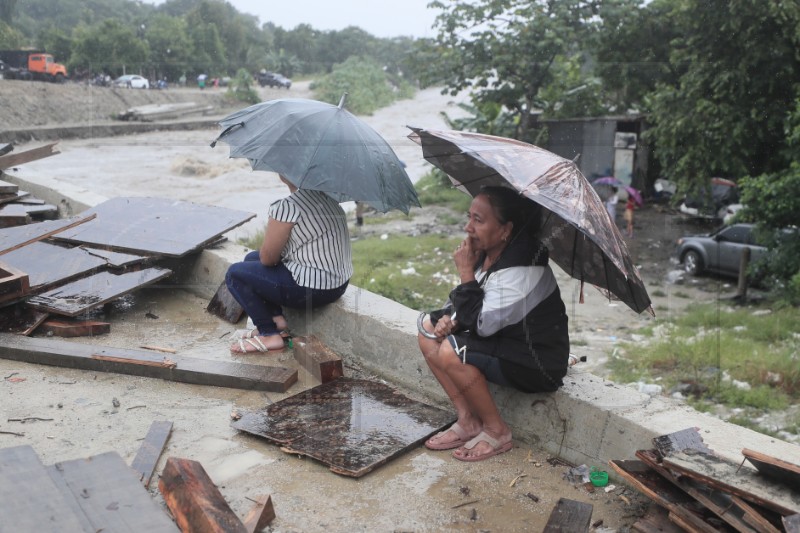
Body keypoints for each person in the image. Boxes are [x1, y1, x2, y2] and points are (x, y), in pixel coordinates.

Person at [418, 186, 570, 462]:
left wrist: (465, 272)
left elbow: (483, 324)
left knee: (452, 351)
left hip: (536, 361)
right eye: (469, 217)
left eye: (479, 220)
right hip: (506, 341)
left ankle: (497, 431)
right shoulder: (489, 254)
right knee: (428, 331)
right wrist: (446, 320)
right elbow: (470, 307)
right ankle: (468, 421)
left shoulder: (522, 270)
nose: (468, 227)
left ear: (505, 230)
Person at [225, 175, 353, 353]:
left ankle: (269, 333)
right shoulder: (329, 200)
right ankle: (276, 320)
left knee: (235, 274)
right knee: (250, 260)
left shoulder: (287, 207)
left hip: (311, 290)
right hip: (338, 285)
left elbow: (268, 259)